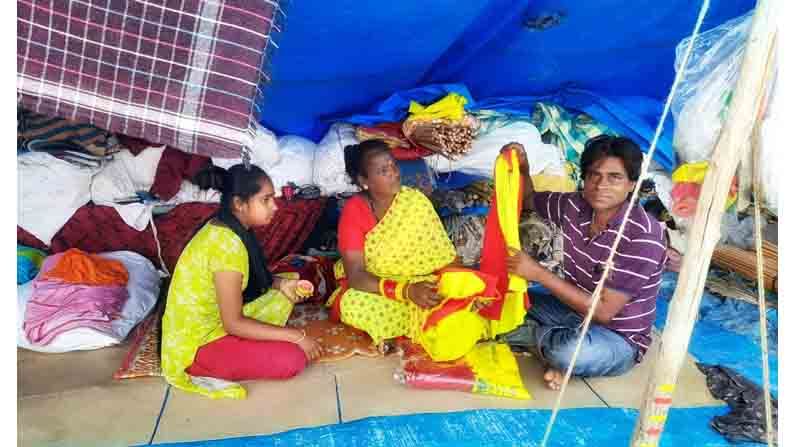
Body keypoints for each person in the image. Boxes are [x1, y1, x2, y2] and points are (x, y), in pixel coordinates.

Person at [502, 136, 668, 390]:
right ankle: (544, 345)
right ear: (585, 178)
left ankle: (545, 347)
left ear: (632, 184)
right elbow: (528, 199)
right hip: (572, 309)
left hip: (618, 335)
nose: (601, 185)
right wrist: (523, 168)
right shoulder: (574, 205)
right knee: (502, 302)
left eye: (615, 177)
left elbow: (602, 312)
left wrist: (538, 274)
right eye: (594, 175)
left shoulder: (643, 235)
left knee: (569, 353)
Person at [161, 164, 322, 399]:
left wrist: (280, 285)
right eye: (266, 200)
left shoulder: (227, 226)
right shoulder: (226, 246)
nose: (275, 207)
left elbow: (256, 281)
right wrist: (296, 336)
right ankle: (204, 365)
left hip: (217, 321)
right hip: (197, 345)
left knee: (288, 284)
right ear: (239, 204)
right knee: (293, 358)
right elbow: (233, 324)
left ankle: (254, 339)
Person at [329, 139, 490, 361]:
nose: (394, 173)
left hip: (425, 282)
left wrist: (463, 286)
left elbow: (444, 257)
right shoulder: (354, 210)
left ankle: (434, 321)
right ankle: (435, 323)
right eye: (383, 170)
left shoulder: (414, 201)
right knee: (353, 304)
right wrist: (406, 291)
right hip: (382, 287)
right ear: (364, 181)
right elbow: (356, 276)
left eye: (393, 165)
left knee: (472, 291)